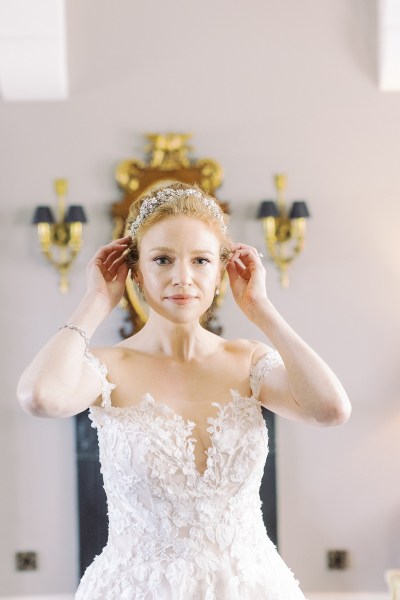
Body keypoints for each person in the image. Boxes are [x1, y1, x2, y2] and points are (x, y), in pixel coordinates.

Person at [17, 182, 351, 599]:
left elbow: (331, 409)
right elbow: (40, 397)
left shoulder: (248, 361)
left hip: (250, 586)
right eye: (162, 259)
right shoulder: (107, 367)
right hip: (136, 588)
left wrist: (262, 310)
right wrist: (96, 301)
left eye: (201, 261)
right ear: (134, 270)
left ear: (220, 271)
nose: (183, 278)